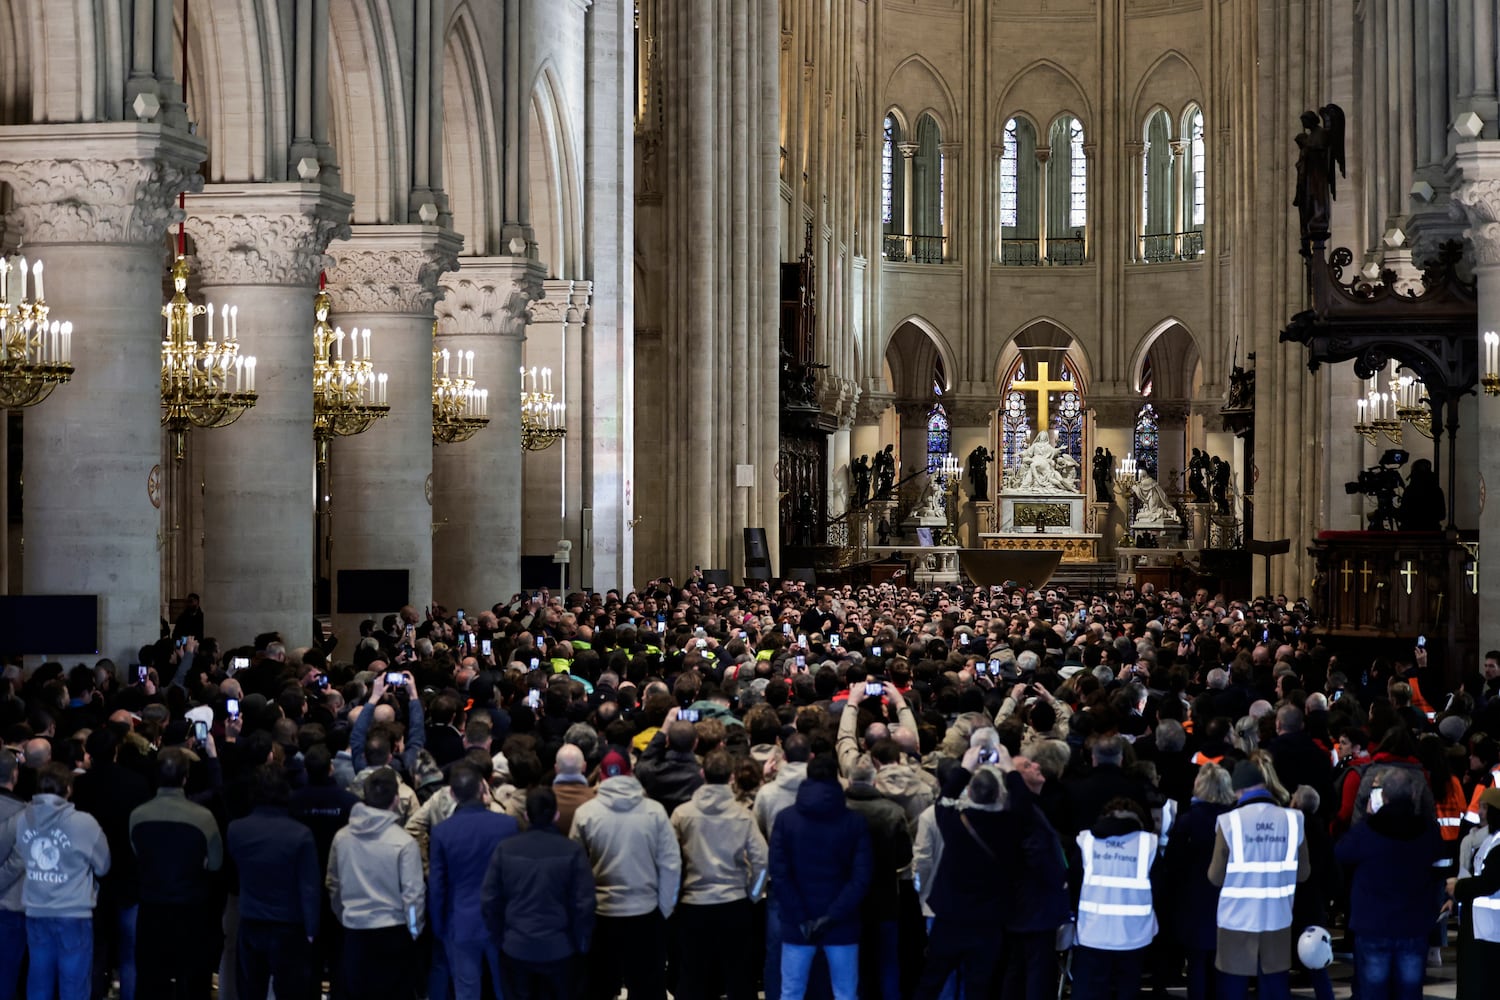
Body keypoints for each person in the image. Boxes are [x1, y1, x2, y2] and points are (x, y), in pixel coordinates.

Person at [569, 751, 681, 1000]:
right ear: (630, 773)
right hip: (645, 911)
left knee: (600, 987)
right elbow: (671, 863)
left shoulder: (586, 813)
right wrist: (664, 907)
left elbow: (576, 868)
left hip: (602, 913)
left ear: (601, 776)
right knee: (648, 986)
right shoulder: (654, 811)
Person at [0, 763, 110, 1000]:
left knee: (39, 982)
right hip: (74, 913)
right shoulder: (84, 823)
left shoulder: (22, 819)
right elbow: (104, 865)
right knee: (74, 985)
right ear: (68, 789)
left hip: (35, 911)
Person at [1335, 766, 1445, 1000]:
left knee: (1372, 992)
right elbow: (1441, 867)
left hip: (1373, 924)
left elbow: (1341, 853)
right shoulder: (1427, 831)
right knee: (1410, 992)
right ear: (1414, 795)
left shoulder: (1367, 830)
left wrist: (1366, 817)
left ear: (1383, 797)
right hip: (1414, 925)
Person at [770, 753, 872, 1000]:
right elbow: (861, 879)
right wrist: (831, 917)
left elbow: (779, 874)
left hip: (797, 924)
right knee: (845, 993)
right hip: (842, 923)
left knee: (791, 992)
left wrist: (801, 917)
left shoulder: (785, 820)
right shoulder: (855, 823)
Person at [670, 749, 769, 1000]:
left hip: (693, 903)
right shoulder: (743, 815)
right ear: (732, 777)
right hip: (734, 903)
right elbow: (762, 861)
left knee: (692, 977)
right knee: (739, 978)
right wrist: (754, 894)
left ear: (702, 774)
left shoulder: (682, 814)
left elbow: (669, 861)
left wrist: (672, 898)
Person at [1208, 760, 1309, 1000]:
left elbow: (1215, 876)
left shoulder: (1230, 822)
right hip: (1278, 917)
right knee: (1275, 988)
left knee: (1233, 988)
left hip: (1236, 920)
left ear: (1238, 789)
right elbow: (1304, 873)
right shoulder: (1294, 820)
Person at [917, 760, 1018, 1000]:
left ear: (969, 792)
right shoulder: (1009, 827)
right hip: (988, 923)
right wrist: (1010, 770)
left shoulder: (954, 823)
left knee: (931, 981)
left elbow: (943, 799)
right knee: (978, 988)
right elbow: (1023, 807)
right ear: (999, 795)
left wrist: (965, 766)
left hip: (950, 919)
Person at [483, 787, 596, 1000]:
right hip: (561, 950)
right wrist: (581, 944)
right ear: (556, 815)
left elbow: (490, 900)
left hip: (516, 948)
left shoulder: (505, 849)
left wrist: (501, 938)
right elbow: (584, 904)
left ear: (526, 815)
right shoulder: (572, 851)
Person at [129, 746, 224, 1000]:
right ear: (185, 777)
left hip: (151, 905)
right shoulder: (203, 817)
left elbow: (137, 853)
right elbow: (215, 864)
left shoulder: (138, 816)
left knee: (151, 978)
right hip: (191, 905)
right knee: (192, 978)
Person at [327, 767, 426, 1000]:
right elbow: (413, 897)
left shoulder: (342, 837)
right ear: (395, 800)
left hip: (354, 932)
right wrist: (413, 931)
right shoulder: (404, 842)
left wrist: (345, 916)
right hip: (394, 933)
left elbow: (333, 885)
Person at [70, 728, 151, 1000]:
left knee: (94, 950)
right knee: (130, 953)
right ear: (116, 751)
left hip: (89, 878)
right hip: (129, 875)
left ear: (89, 754)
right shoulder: (137, 784)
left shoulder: (80, 786)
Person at [227, 764, 321, 1000]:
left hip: (251, 921)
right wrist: (311, 929)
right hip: (290, 925)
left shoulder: (236, 830)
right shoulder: (300, 834)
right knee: (290, 992)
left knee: (251, 990)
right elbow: (309, 887)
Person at [429, 762, 519, 999]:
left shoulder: (442, 832)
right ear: (483, 790)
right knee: (505, 989)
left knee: (466, 991)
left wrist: (438, 927)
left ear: (451, 793)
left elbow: (437, 886)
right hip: (501, 922)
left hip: (460, 923)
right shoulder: (508, 825)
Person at [1073, 796, 1160, 1000]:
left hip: (1091, 934)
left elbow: (1073, 884)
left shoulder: (1086, 841)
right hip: (1134, 936)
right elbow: (1161, 888)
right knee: (1128, 991)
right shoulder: (1147, 844)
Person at [1163, 763, 1236, 1000]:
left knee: (1196, 965)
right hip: (1227, 901)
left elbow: (1172, 865)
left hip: (1193, 900)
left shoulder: (1187, 821)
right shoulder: (1233, 820)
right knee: (1224, 967)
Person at [842, 756, 912, 1000]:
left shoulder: (838, 811)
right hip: (885, 900)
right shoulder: (893, 812)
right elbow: (904, 857)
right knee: (887, 965)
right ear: (874, 781)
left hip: (848, 902)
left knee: (853, 968)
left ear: (849, 780)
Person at [1451, 787, 1500, 1000]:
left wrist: (1459, 888)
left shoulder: (1497, 844)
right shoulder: (1491, 839)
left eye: (1484, 807)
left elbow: (1489, 882)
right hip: (1481, 927)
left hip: (1490, 929)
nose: (1479, 812)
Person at [0, 752, 23, 1000]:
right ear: (15, 775)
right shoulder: (24, 814)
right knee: (6, 979)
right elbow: (18, 861)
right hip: (10, 905)